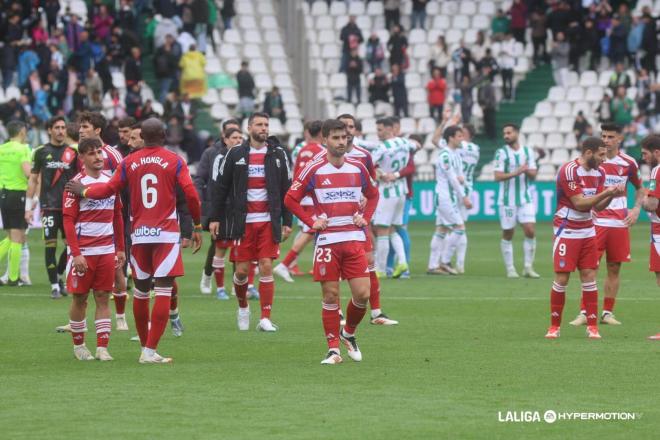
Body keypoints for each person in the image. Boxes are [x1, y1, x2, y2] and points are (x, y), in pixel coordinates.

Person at [65, 118, 202, 364]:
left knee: (140, 291)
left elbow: (108, 189)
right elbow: (191, 194)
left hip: (139, 234)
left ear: (143, 136)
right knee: (162, 290)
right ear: (164, 135)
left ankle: (143, 345)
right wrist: (197, 223)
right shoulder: (174, 160)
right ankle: (149, 351)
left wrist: (84, 191)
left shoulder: (129, 161)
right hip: (166, 233)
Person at [284, 118, 379, 364]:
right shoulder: (314, 169)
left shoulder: (358, 167)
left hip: (354, 239)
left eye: (344, 137)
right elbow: (290, 198)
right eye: (335, 138)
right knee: (330, 296)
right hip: (327, 242)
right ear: (325, 140)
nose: (341, 142)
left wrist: (365, 217)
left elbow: (373, 194)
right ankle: (333, 350)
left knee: (362, 295)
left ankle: (348, 333)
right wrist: (311, 220)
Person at [209, 112, 292, 332]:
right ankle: (243, 307)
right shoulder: (235, 153)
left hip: (268, 221)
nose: (264, 128)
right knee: (242, 271)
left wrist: (287, 220)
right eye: (259, 124)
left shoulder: (278, 154)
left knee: (266, 265)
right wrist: (214, 218)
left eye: (266, 124)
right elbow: (221, 188)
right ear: (249, 128)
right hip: (243, 223)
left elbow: (287, 189)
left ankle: (265, 317)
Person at [545, 137, 625, 340]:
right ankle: (554, 326)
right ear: (588, 153)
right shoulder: (569, 170)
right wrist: (606, 192)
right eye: (600, 155)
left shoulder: (600, 172)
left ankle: (592, 327)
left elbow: (597, 207)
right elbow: (579, 203)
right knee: (562, 278)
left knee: (589, 277)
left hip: (588, 230)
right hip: (567, 230)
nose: (603, 159)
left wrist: (611, 196)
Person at [569, 123, 644, 327]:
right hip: (596, 222)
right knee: (589, 267)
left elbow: (640, 188)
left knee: (614, 267)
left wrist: (636, 209)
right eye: (604, 136)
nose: (606, 140)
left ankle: (607, 313)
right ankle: (585, 312)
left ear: (619, 139)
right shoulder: (595, 162)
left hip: (619, 223)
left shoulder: (628, 162)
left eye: (611, 136)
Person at [62, 138, 125, 361]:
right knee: (80, 298)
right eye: (91, 153)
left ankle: (102, 347)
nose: (98, 157)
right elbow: (68, 221)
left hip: (106, 250)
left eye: (99, 152)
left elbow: (117, 215)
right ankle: (79, 346)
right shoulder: (74, 184)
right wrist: (76, 253)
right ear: (82, 158)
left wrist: (120, 248)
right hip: (84, 252)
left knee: (102, 296)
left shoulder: (111, 181)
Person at [25, 116, 78, 298]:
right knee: (50, 246)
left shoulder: (73, 152)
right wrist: (29, 206)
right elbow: (33, 179)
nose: (61, 131)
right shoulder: (40, 152)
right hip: (48, 206)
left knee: (71, 246)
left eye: (63, 127)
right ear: (49, 130)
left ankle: (60, 275)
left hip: (69, 207)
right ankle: (55, 286)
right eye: (57, 127)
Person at [273, 120, 325, 283]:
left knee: (312, 232)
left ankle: (317, 267)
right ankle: (285, 264)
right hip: (312, 197)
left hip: (301, 195)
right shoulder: (322, 151)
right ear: (322, 134)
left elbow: (296, 172)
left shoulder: (302, 150)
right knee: (311, 231)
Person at [197, 119, 241, 295]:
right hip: (218, 206)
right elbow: (201, 178)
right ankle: (208, 277)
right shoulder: (212, 154)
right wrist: (201, 199)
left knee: (238, 247)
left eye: (239, 135)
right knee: (217, 244)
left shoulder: (244, 155)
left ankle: (235, 284)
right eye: (232, 135)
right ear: (224, 136)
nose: (237, 139)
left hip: (236, 208)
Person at [494, 124, 539, 278]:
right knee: (508, 233)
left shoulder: (527, 152)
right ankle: (510, 268)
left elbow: (533, 174)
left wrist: (526, 170)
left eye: (509, 133)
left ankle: (528, 267)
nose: (506, 135)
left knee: (530, 230)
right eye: (504, 133)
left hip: (525, 198)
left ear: (517, 133)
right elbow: (497, 176)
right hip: (507, 200)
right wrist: (517, 172)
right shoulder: (501, 153)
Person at [372, 118, 413, 278]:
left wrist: (379, 173)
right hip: (401, 190)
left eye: (380, 130)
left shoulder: (382, 148)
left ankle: (380, 270)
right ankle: (402, 262)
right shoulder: (404, 143)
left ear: (390, 129)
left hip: (387, 192)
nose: (378, 133)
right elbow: (412, 155)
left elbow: (369, 165)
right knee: (394, 228)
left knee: (382, 230)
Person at [427, 125, 471, 275]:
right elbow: (452, 178)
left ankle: (433, 266)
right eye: (459, 136)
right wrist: (464, 196)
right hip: (444, 197)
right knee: (459, 228)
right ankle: (445, 261)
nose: (462, 139)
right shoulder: (445, 155)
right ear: (451, 138)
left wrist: (462, 180)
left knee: (441, 229)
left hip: (450, 197)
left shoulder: (456, 154)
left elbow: (459, 176)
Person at [0, 121, 31, 286]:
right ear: (21, 131)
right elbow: (27, 172)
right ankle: (13, 278)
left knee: (12, 236)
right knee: (18, 238)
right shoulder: (23, 149)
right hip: (18, 193)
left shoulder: (2, 149)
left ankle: (12, 277)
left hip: (3, 193)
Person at [641, 135, 660, 339]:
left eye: (645, 153)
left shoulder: (657, 170)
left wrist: (644, 198)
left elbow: (652, 205)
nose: (643, 157)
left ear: (656, 152)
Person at [456, 124, 480, 272]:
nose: (459, 135)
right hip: (468, 187)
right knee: (461, 226)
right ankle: (460, 263)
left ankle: (445, 261)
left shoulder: (462, 146)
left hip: (457, 188)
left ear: (468, 135)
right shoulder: (476, 149)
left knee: (452, 226)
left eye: (461, 133)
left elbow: (437, 141)